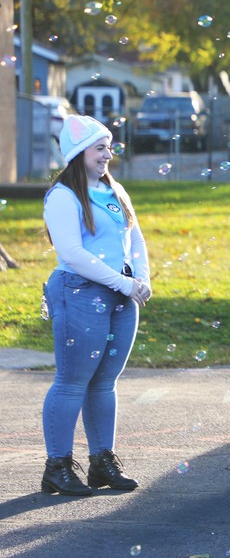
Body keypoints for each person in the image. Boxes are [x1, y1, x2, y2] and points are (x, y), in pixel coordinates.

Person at [41, 115, 152, 496]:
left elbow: (134, 238)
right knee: (73, 382)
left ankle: (101, 463)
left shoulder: (114, 189)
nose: (108, 155)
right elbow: (71, 253)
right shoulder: (63, 195)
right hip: (79, 292)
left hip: (121, 296)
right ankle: (57, 466)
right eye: (99, 148)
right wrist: (124, 282)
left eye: (109, 147)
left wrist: (142, 279)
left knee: (105, 382)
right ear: (78, 153)